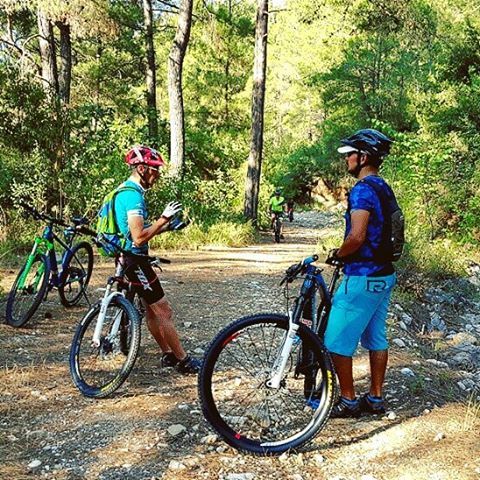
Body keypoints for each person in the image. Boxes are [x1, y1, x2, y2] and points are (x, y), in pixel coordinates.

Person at [324, 129, 397, 418]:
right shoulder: (383, 186)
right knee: (376, 337)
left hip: (362, 276)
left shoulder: (363, 190)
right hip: (385, 275)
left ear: (363, 157)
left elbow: (356, 237)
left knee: (335, 342)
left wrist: (336, 254)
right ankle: (376, 398)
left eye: (350, 154)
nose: (347, 160)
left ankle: (349, 399)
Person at [115, 145, 201, 374]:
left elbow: (138, 231)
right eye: (155, 169)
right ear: (142, 169)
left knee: (151, 311)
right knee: (163, 311)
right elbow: (139, 237)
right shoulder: (132, 196)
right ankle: (183, 360)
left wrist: (166, 227)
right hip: (136, 262)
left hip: (128, 259)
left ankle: (168, 354)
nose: (158, 174)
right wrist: (163, 219)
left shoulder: (125, 191)